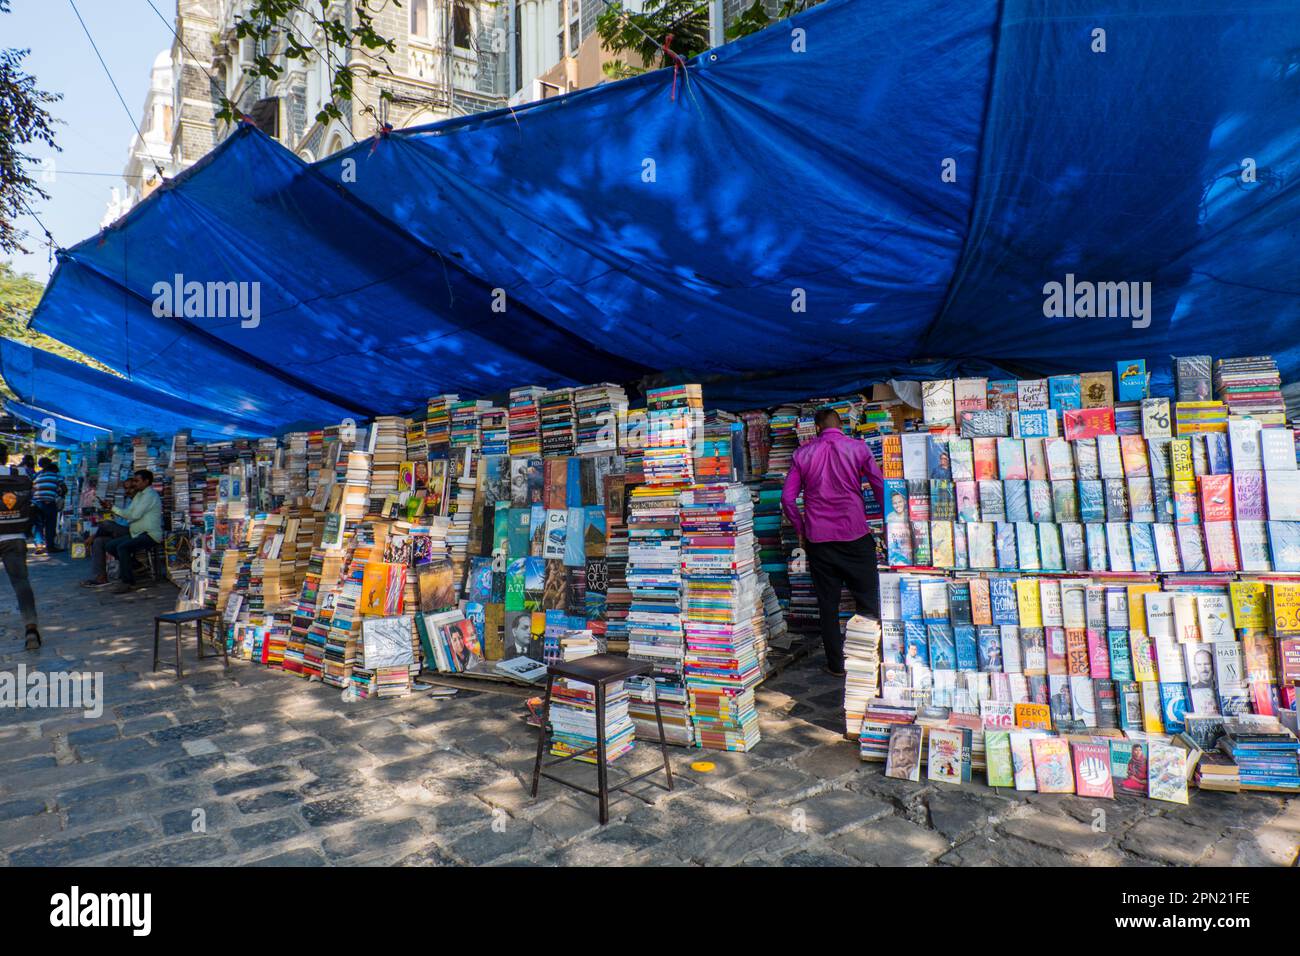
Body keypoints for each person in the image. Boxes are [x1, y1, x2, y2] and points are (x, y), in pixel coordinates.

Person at [781, 407, 885, 676]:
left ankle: (836, 665)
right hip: (855, 535)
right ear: (842, 426)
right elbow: (880, 485)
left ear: (816, 427)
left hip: (819, 540)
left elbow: (787, 499)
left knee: (828, 606)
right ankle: (867, 662)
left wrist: (801, 527)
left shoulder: (802, 454)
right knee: (868, 602)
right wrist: (889, 522)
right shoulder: (859, 449)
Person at [80, 470, 162, 593]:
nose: (135, 484)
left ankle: (127, 582)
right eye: (134, 480)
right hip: (136, 533)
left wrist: (113, 509)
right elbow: (128, 513)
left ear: (147, 481)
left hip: (148, 534)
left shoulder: (149, 495)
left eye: (137, 481)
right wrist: (111, 508)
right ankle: (135, 566)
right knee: (110, 545)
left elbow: (133, 515)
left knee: (122, 546)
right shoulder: (139, 496)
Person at [0, 443, 41, 650]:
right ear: (5, 456)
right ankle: (31, 627)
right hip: (15, 535)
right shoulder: (19, 473)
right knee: (21, 583)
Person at [31, 458, 66, 553]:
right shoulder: (56, 476)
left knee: (38, 525)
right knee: (50, 524)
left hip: (35, 503)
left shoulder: (37, 475)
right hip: (48, 503)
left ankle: (39, 546)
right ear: (54, 469)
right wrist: (60, 496)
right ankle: (50, 546)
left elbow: (32, 488)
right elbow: (64, 488)